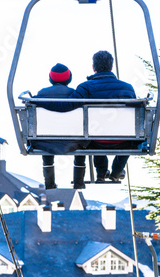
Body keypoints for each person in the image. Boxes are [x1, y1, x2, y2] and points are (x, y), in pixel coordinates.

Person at [37, 51, 136, 182]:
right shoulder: (128, 88)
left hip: (96, 140)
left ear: (93, 67)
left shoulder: (85, 87)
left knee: (94, 134)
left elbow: (66, 106)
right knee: (124, 138)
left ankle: (101, 173)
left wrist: (37, 101)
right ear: (111, 67)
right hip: (124, 140)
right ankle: (117, 171)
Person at [32, 63, 86, 189]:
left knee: (46, 138)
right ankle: (78, 182)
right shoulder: (74, 94)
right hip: (73, 141)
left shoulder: (42, 94)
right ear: (69, 79)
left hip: (46, 140)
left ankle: (49, 182)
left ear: (50, 79)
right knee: (82, 142)